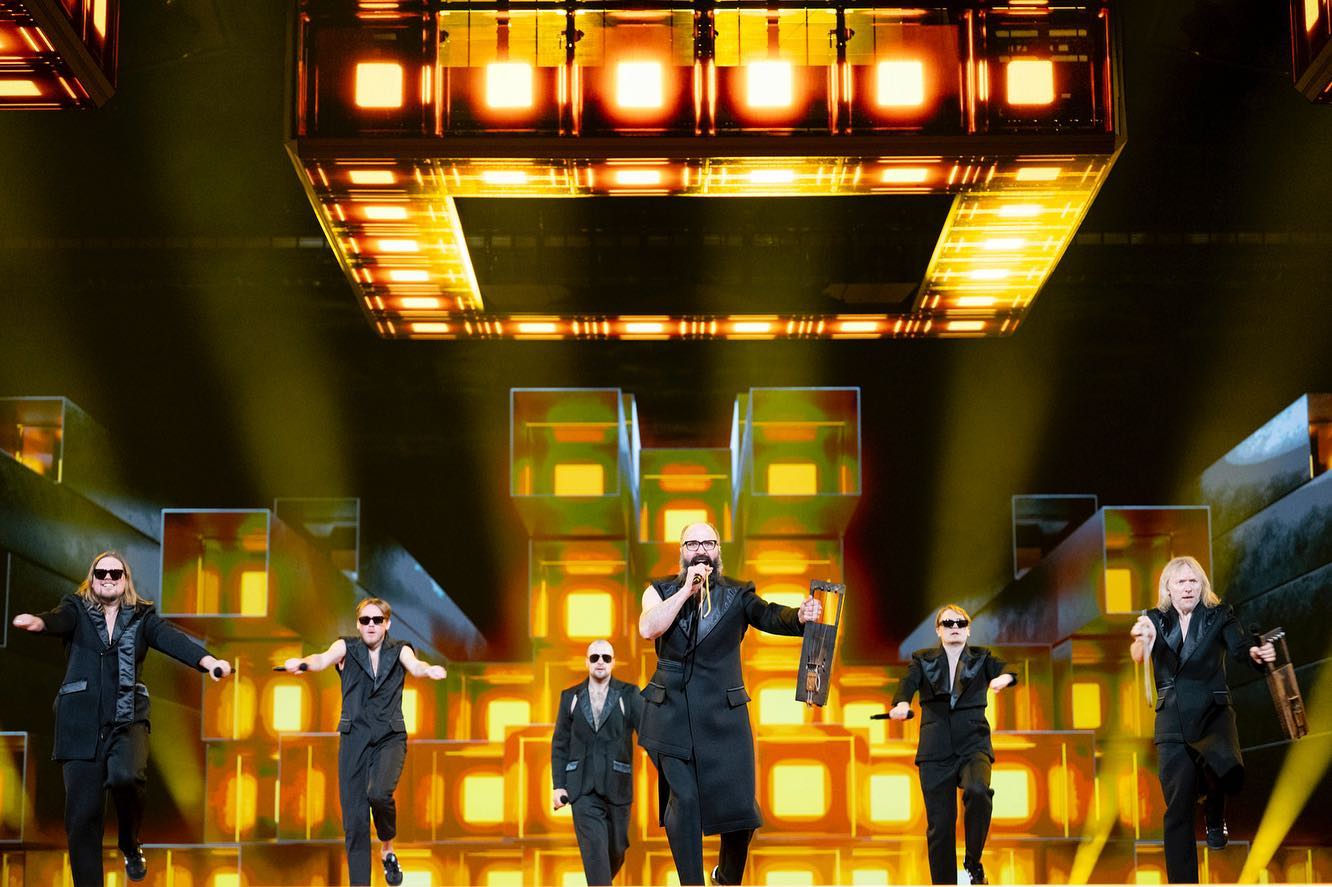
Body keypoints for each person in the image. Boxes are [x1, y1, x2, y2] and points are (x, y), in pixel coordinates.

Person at [11, 551, 232, 887]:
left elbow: (171, 640)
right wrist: (40, 623)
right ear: (92, 578)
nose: (108, 578)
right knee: (82, 819)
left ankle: (130, 842)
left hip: (127, 718)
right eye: (101, 573)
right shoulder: (75, 608)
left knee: (126, 777)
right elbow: (57, 620)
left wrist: (209, 662)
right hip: (80, 723)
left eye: (115, 573)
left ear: (125, 579)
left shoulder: (142, 617)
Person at [637, 522, 822, 885]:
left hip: (723, 716)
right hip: (670, 715)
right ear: (681, 551)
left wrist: (799, 617)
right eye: (692, 543)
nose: (701, 550)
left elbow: (768, 614)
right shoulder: (658, 590)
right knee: (685, 802)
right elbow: (648, 628)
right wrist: (686, 591)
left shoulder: (738, 594)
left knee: (741, 814)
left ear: (719, 550)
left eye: (709, 543)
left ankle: (725, 879)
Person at [278, 597, 447, 887]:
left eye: (377, 620)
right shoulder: (346, 647)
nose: (371, 625)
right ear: (358, 624)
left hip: (389, 736)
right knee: (355, 822)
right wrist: (303, 664)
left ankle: (387, 848)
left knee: (379, 794)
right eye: (365, 620)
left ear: (387, 624)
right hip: (354, 737)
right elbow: (322, 659)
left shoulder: (400, 649)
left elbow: (416, 665)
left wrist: (427, 670)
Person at [1129, 555, 1275, 884]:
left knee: (1227, 771)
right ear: (1168, 587)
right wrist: (1142, 639)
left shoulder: (1219, 615)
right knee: (1178, 807)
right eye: (1180, 581)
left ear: (1202, 586)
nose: (1188, 587)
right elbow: (1138, 654)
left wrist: (1256, 652)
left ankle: (1214, 812)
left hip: (1213, 713)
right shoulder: (1153, 619)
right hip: (1172, 720)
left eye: (1193, 581)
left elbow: (1240, 647)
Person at [887, 603, 1017, 886]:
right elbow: (908, 683)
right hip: (936, 750)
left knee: (978, 791)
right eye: (948, 623)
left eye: (960, 623)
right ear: (939, 630)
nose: (955, 627)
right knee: (941, 826)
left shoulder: (982, 658)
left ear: (968, 630)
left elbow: (1007, 668)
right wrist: (901, 703)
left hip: (974, 744)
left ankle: (973, 862)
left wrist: (1005, 678)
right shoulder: (922, 659)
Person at [551, 639, 644, 885]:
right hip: (581, 789)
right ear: (587, 662)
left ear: (613, 662)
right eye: (594, 657)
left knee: (617, 849)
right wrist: (559, 785)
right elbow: (560, 743)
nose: (600, 662)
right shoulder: (570, 697)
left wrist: (671, 772)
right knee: (594, 850)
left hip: (618, 787)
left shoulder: (629, 694)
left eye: (605, 657)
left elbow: (649, 734)